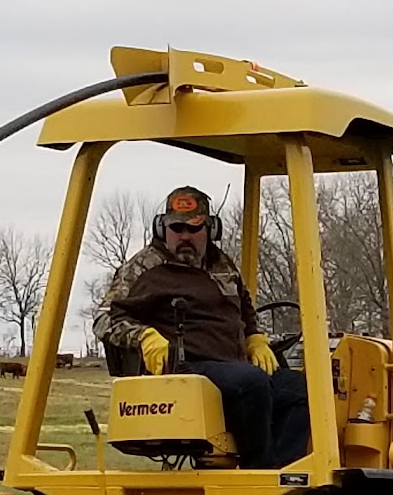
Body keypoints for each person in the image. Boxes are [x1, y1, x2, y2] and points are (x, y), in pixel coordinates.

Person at [93, 187, 310, 468]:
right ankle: (260, 475)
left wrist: (254, 337)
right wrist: (144, 337)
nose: (184, 236)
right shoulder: (146, 268)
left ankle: (285, 479)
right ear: (162, 228)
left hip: (233, 368)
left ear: (210, 229)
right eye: (177, 228)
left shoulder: (222, 264)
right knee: (251, 383)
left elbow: (244, 307)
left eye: (193, 229)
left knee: (304, 390)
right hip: (188, 370)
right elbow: (104, 318)